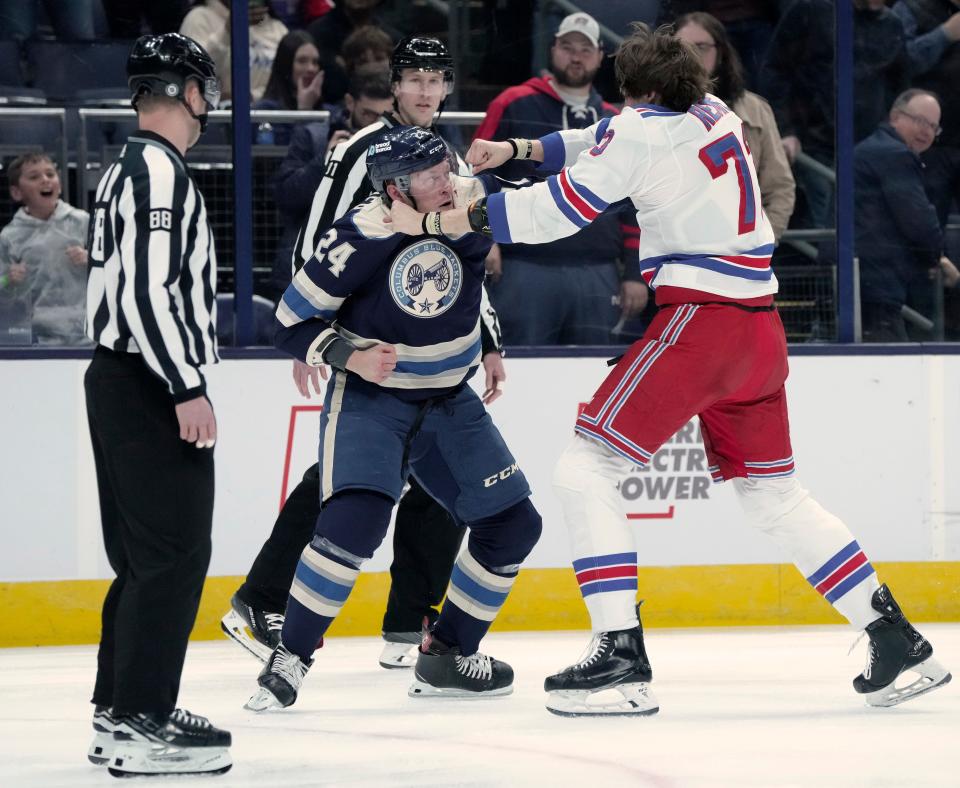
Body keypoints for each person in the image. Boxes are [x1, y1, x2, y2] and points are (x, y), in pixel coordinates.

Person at [391, 24, 952, 715]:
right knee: (776, 499)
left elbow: (557, 210)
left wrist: (462, 215)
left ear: (644, 90)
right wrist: (521, 149)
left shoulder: (638, 131)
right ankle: (893, 635)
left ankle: (620, 657)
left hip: (701, 325)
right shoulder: (712, 109)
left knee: (584, 470)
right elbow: (604, 135)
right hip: (758, 332)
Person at [221, 36, 506, 671]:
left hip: (431, 350)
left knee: (438, 478)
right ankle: (261, 598)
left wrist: (488, 338)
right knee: (346, 478)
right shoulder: (360, 150)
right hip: (368, 346)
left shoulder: (445, 159)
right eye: (415, 80)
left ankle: (410, 619)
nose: (427, 91)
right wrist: (315, 336)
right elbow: (317, 234)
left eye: (437, 80)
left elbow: (462, 265)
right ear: (395, 83)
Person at [243, 126, 542, 711]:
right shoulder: (360, 233)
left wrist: (489, 341)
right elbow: (288, 321)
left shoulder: (468, 202)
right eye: (431, 177)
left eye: (447, 169)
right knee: (355, 521)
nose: (447, 184)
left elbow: (530, 208)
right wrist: (347, 353)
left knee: (514, 526)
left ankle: (447, 654)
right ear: (396, 189)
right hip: (373, 401)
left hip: (450, 398)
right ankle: (292, 656)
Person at [82, 33, 231, 776]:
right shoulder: (158, 173)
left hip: (122, 377)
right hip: (147, 381)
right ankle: (140, 717)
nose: (211, 104)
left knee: (145, 558)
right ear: (183, 91)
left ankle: (122, 709)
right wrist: (186, 386)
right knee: (173, 553)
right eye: (205, 89)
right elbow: (146, 293)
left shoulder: (126, 168)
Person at [473, 11, 648, 345]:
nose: (576, 56)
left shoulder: (618, 120)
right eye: (568, 47)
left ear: (600, 56)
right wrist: (486, 238)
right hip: (525, 266)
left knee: (594, 376)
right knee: (518, 369)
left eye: (585, 49)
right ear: (552, 50)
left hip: (598, 270)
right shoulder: (512, 102)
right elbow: (476, 173)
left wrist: (635, 272)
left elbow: (634, 203)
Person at [760, 0, 909, 228]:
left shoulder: (892, 25)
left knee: (862, 230)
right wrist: (785, 130)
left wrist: (890, 136)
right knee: (833, 232)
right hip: (814, 144)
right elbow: (775, 72)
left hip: (868, 147)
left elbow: (899, 87)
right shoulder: (811, 11)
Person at [267, 68, 394, 299]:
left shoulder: (398, 150)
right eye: (368, 114)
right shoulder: (313, 136)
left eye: (384, 116)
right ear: (350, 102)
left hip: (368, 272)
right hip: (306, 265)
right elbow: (285, 196)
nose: (376, 126)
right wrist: (325, 162)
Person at [675, 11, 795, 242]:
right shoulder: (653, 109)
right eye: (681, 48)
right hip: (676, 251)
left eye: (700, 47)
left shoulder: (755, 109)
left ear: (720, 53)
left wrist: (761, 242)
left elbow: (779, 187)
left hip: (739, 249)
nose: (691, 56)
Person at [856, 89, 959, 341]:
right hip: (874, 282)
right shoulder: (895, 155)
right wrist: (936, 257)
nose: (926, 132)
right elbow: (919, 221)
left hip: (866, 281)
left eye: (934, 127)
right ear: (895, 117)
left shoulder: (876, 149)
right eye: (920, 121)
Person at [0, 152, 90, 345]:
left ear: (60, 184)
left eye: (50, 174)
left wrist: (90, 259)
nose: (45, 180)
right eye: (34, 177)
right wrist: (10, 279)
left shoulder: (83, 222)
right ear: (17, 192)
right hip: (38, 337)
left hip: (88, 333)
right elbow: (2, 289)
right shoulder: (10, 236)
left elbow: (116, 267)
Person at [180, 0, 287, 103]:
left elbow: (287, 82)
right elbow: (195, 73)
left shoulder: (277, 28)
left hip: (270, 112)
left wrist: (251, 96)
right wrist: (227, 30)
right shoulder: (198, 19)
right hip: (217, 114)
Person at [254, 30, 326, 147]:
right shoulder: (265, 111)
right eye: (302, 61)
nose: (311, 68)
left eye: (315, 62)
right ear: (286, 65)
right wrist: (305, 110)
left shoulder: (328, 113)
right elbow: (290, 159)